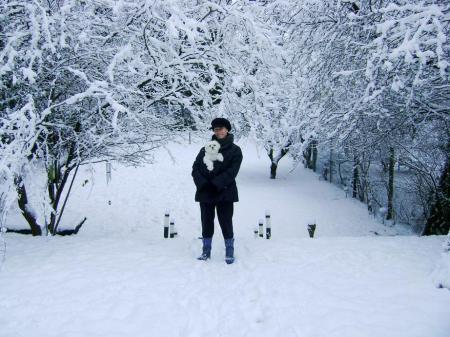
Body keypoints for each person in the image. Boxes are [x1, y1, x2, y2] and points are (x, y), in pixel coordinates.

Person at [191, 118, 243, 264]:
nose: (218, 131)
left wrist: (216, 184)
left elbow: (232, 171)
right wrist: (203, 184)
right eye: (215, 129)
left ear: (227, 130)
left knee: (225, 221)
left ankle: (229, 249)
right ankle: (206, 250)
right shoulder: (205, 148)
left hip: (225, 192)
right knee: (206, 221)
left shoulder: (235, 150)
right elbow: (195, 168)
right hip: (205, 192)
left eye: (221, 128)